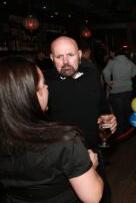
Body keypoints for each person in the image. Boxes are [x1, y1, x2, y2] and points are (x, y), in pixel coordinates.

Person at [0, 57, 103, 203]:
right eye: (43, 85)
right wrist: (91, 166)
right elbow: (93, 197)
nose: (47, 88)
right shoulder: (65, 140)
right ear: (30, 96)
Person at [44, 36, 117, 203]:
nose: (65, 61)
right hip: (60, 160)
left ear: (79, 55)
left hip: (93, 151)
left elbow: (103, 107)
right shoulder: (43, 83)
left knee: (103, 197)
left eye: (70, 55)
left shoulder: (91, 75)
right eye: (59, 57)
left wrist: (111, 119)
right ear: (51, 58)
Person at [102, 46, 136, 134]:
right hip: (128, 90)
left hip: (116, 91)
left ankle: (120, 132)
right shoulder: (128, 61)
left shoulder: (112, 62)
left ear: (115, 54)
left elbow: (105, 72)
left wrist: (108, 82)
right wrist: (129, 77)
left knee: (118, 112)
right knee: (127, 110)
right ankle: (128, 131)